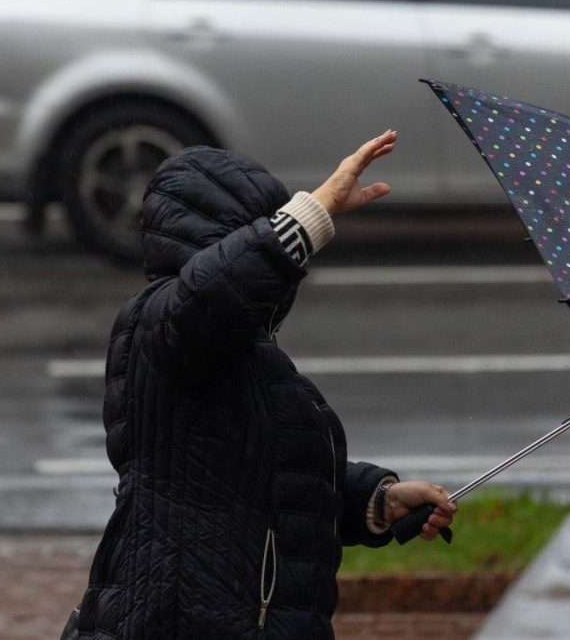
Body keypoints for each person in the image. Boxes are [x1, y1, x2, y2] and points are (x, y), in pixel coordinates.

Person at [62, 130, 456, 639]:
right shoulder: (164, 326)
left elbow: (260, 480)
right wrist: (312, 213)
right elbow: (216, 292)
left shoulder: (237, 353)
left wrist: (376, 501)